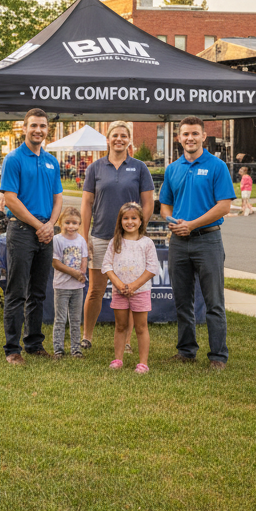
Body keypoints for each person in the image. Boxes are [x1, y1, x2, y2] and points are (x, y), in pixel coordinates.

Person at [159, 116, 236, 370]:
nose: (189, 138)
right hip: (179, 242)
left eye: (194, 133)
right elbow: (165, 204)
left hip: (208, 240)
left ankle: (218, 356)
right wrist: (172, 220)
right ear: (179, 138)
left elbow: (224, 206)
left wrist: (192, 224)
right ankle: (186, 351)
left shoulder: (217, 166)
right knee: (182, 301)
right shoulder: (173, 168)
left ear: (204, 136)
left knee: (214, 302)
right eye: (185, 134)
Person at [79, 121, 155, 354]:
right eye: (115, 135)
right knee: (95, 291)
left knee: (128, 290)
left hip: (129, 240)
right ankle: (87, 336)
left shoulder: (140, 167)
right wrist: (85, 236)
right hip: (101, 236)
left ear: (129, 139)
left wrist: (137, 233)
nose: (119, 139)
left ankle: (129, 342)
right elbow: (86, 204)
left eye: (123, 135)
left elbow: (148, 203)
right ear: (107, 139)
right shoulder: (95, 168)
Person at [0, 108, 63, 365]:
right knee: (17, 292)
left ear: (48, 130)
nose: (38, 130)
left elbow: (58, 197)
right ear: (24, 128)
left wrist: (51, 225)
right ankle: (12, 349)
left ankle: (34, 343)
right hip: (23, 232)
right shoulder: (14, 159)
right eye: (34, 125)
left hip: (45, 233)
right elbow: (10, 199)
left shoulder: (51, 161)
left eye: (43, 126)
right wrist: (40, 225)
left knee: (38, 292)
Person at [101, 202, 161, 374]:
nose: (130, 222)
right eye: (125, 218)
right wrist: (118, 284)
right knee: (120, 326)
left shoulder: (147, 243)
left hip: (140, 291)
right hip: (119, 291)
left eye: (134, 218)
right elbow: (106, 265)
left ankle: (143, 363)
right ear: (120, 221)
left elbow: (152, 268)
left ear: (141, 221)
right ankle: (118, 359)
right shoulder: (115, 242)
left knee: (141, 327)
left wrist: (134, 285)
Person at [51, 206, 88, 358]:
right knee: (60, 319)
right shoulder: (57, 240)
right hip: (61, 286)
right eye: (67, 222)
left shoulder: (81, 240)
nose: (71, 226)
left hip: (77, 287)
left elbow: (84, 258)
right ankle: (58, 348)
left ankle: (76, 348)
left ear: (79, 224)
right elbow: (55, 262)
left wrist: (82, 272)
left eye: (74, 223)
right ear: (60, 223)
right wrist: (74, 272)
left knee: (75, 319)